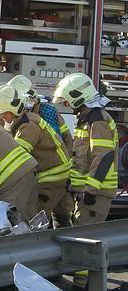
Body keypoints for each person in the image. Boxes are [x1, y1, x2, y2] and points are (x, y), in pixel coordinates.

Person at [0, 84, 72, 223]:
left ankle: (36, 243)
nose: (3, 118)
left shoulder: (29, 126)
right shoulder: (21, 120)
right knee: (56, 216)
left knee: (34, 215)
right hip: (50, 175)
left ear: (14, 109)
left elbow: (17, 159)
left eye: (5, 113)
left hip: (52, 178)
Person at [52, 73, 118, 225]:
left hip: (96, 194)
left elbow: (103, 157)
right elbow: (82, 156)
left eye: (67, 101)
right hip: (86, 192)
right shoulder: (87, 119)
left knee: (84, 241)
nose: (67, 105)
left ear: (78, 97)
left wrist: (91, 190)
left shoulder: (97, 120)